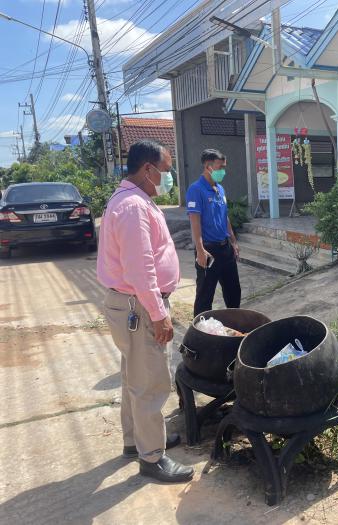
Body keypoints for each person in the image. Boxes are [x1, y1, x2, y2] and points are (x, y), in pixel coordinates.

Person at [97, 140, 194, 483]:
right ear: (148, 169)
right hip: (138, 305)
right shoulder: (134, 207)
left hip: (130, 304)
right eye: (166, 171)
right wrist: (158, 312)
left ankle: (135, 441)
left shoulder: (133, 200)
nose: (169, 177)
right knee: (151, 382)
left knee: (134, 377)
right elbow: (140, 269)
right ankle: (151, 457)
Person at [185, 149, 241, 317]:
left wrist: (233, 241)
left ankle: (234, 324)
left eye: (224, 167)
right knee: (205, 295)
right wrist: (200, 250)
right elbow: (195, 221)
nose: (223, 171)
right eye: (220, 167)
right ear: (208, 167)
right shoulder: (196, 189)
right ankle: (200, 334)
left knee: (234, 291)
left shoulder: (220, 189)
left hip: (225, 249)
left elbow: (225, 217)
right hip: (209, 251)